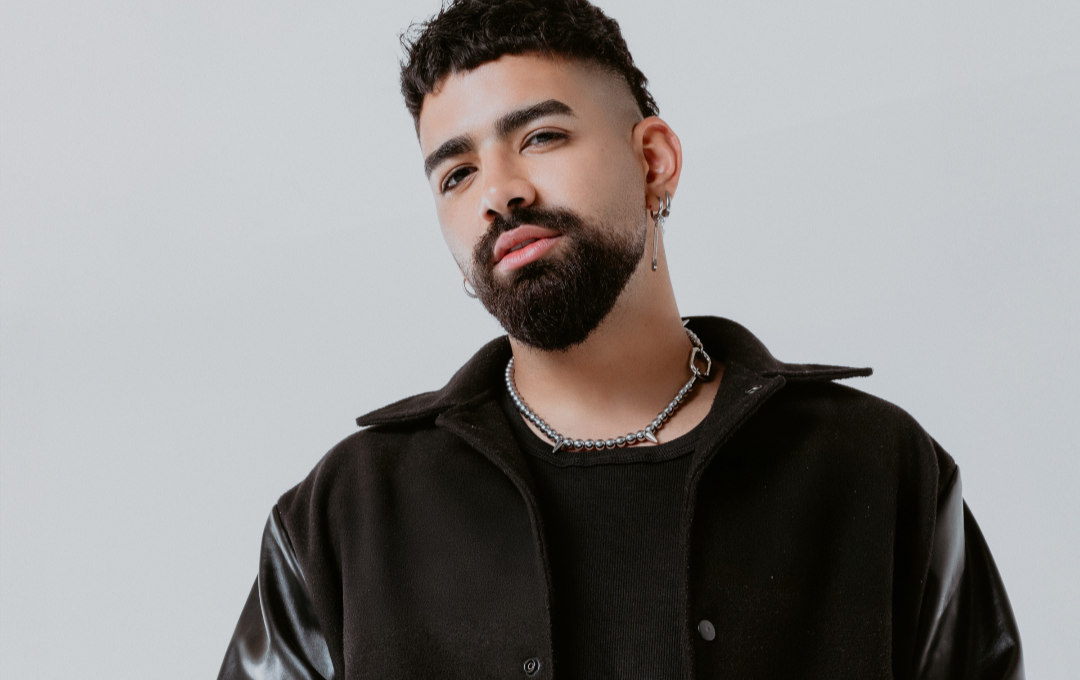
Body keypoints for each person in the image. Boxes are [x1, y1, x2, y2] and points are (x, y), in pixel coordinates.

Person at [217, 1, 1023, 678]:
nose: (499, 192)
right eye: (456, 173)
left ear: (655, 161)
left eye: (540, 137)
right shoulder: (346, 518)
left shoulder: (876, 469)